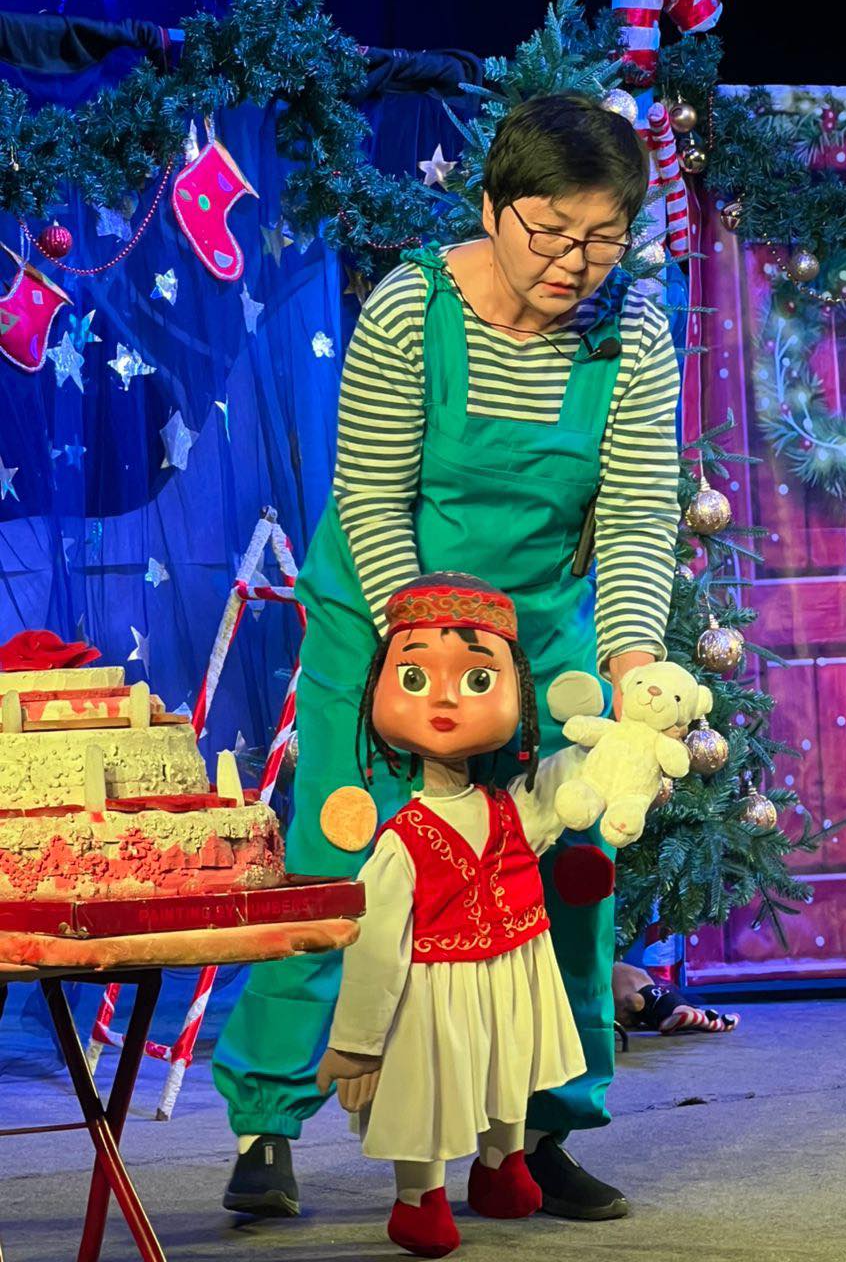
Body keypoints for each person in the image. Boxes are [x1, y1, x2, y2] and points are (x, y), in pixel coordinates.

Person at [213, 91, 681, 1221]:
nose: (574, 263)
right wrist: (430, 661)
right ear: (490, 207)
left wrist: (630, 664)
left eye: (602, 238)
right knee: (342, 859)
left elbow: (634, 517)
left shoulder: (633, 335)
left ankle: (539, 1132)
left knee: (568, 874)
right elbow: (372, 495)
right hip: (386, 627)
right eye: (551, 232)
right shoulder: (411, 308)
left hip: (541, 637)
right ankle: (268, 1121)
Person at [317, 573, 594, 1257]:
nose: (443, 698)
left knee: (508, 1073)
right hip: (433, 992)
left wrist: (622, 750)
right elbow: (375, 945)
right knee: (429, 1094)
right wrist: (359, 1041)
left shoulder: (511, 807)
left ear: (516, 690)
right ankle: (420, 1196)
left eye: (476, 680)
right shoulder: (401, 842)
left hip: (509, 976)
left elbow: (567, 783)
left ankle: (501, 1164)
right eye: (414, 679)